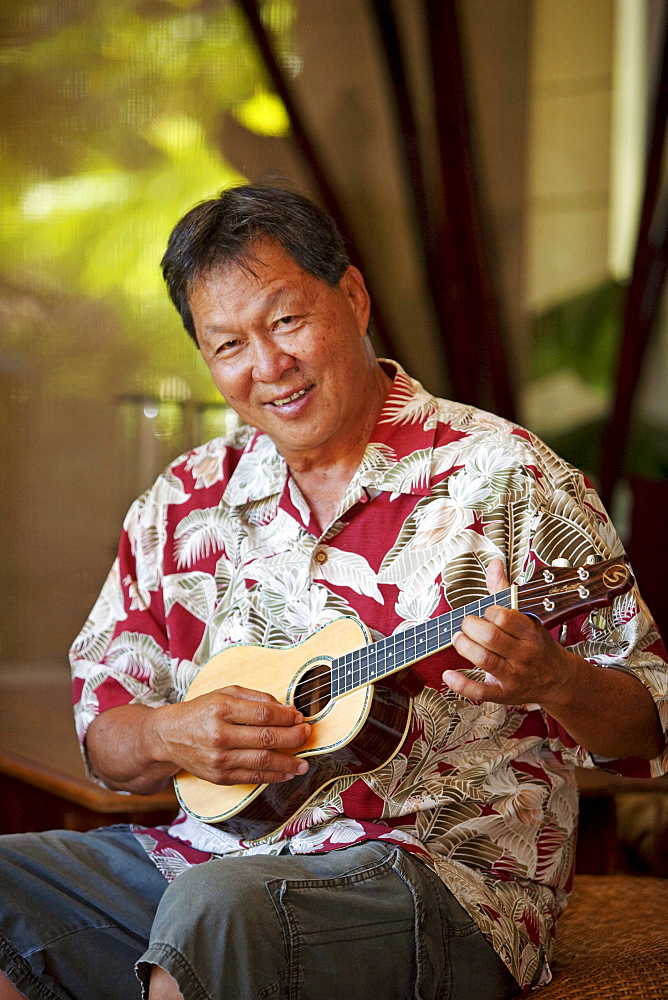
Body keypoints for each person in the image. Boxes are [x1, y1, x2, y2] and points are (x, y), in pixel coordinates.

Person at [1, 185, 666, 1000]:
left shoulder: (506, 476)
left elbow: (648, 719)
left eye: (286, 321)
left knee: (220, 913)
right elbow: (106, 739)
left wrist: (557, 678)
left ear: (352, 297)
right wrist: (171, 733)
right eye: (229, 344)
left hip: (439, 884)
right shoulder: (182, 502)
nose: (268, 367)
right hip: (210, 859)